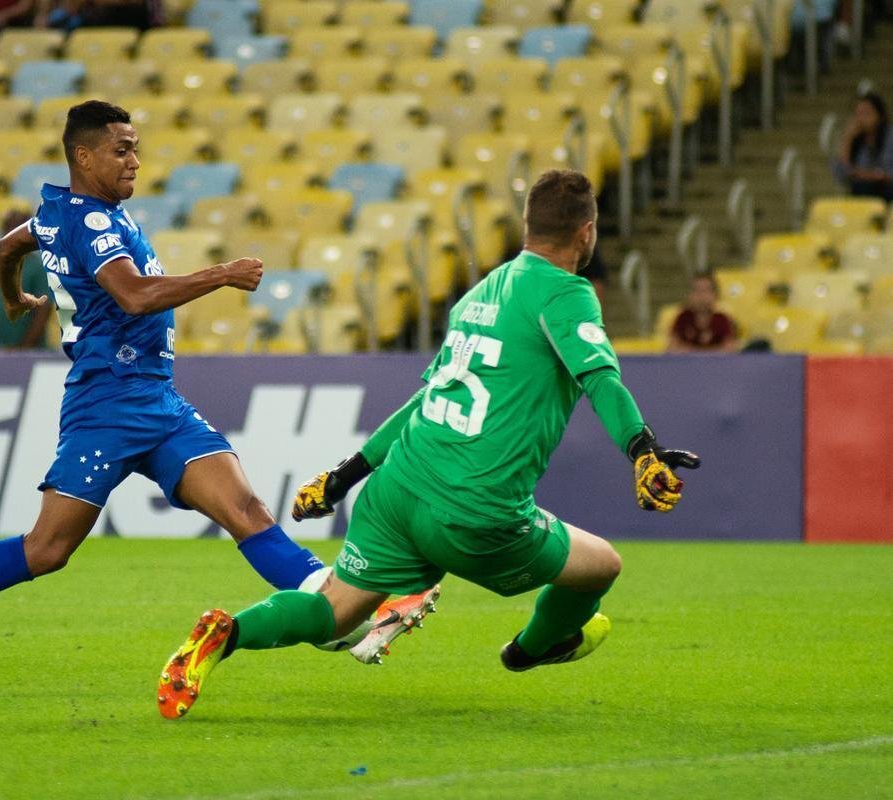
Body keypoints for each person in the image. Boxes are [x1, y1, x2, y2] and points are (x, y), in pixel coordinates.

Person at [0, 100, 435, 691]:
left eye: (135, 148)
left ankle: (337, 604)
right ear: (84, 156)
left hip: (157, 399)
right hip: (105, 406)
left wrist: (11, 297)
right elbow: (132, 295)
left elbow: (6, 249)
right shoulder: (91, 222)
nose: (134, 160)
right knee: (47, 550)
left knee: (246, 511)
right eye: (122, 149)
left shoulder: (63, 212)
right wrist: (221, 274)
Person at [156, 170, 702, 720]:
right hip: (474, 508)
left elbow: (424, 401)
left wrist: (344, 476)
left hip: (398, 489)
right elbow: (600, 377)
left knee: (335, 612)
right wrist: (642, 449)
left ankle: (226, 634)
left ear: (527, 226)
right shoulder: (566, 292)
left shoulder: (479, 294)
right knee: (601, 566)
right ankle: (531, 649)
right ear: (587, 232)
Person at [0, 208, 53, 351]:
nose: (13, 233)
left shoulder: (37, 267)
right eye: (8, 227)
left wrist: (24, 347)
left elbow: (43, 310)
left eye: (19, 227)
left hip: (27, 351)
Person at [832, 91, 893, 201]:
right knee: (861, 188)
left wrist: (869, 175)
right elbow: (841, 174)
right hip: (863, 192)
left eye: (866, 113)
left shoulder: (889, 136)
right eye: (858, 114)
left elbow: (887, 172)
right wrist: (847, 140)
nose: (861, 118)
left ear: (879, 114)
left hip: (888, 191)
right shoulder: (855, 140)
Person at [667, 273, 739, 353]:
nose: (701, 295)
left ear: (715, 295)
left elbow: (730, 349)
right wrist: (709, 351)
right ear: (689, 295)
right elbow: (672, 348)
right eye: (697, 290)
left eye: (706, 290)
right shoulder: (682, 318)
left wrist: (694, 351)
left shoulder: (722, 319)